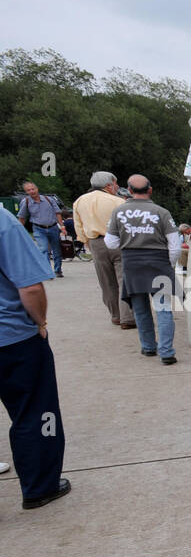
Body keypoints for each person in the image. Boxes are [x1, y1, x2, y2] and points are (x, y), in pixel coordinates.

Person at [0, 206, 69, 508]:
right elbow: (29, 287)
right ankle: (40, 486)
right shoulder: (3, 222)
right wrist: (40, 323)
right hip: (11, 337)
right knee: (36, 411)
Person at [103, 174, 182, 365]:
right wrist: (168, 264)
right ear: (150, 190)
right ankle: (167, 353)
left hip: (132, 264)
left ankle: (148, 347)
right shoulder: (162, 212)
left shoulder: (118, 212)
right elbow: (175, 245)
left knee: (140, 309)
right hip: (158, 264)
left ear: (129, 191)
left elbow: (110, 242)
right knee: (163, 310)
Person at [72, 171, 131, 327]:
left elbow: (79, 226)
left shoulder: (79, 201)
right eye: (116, 183)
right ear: (108, 185)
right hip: (118, 241)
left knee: (106, 281)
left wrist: (86, 242)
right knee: (123, 279)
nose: (117, 186)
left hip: (95, 243)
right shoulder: (119, 202)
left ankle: (115, 315)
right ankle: (127, 317)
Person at [17, 181, 66, 278]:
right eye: (28, 190)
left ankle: (58, 270)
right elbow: (22, 217)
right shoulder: (25, 202)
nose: (31, 191)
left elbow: (57, 213)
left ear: (37, 189)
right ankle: (47, 272)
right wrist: (19, 230)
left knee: (57, 250)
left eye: (33, 189)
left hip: (53, 227)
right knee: (43, 250)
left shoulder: (49, 199)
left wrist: (62, 226)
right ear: (26, 192)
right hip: (39, 229)